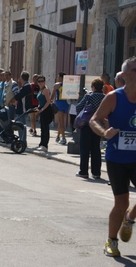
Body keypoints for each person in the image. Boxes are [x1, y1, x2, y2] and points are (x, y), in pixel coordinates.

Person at [89, 57, 136, 257]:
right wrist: (104, 132)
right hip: (117, 157)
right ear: (124, 75)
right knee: (121, 202)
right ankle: (111, 240)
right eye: (135, 69)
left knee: (127, 207)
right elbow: (94, 119)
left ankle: (130, 219)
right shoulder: (114, 97)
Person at [75, 78, 105, 179]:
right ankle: (96, 172)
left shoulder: (89, 96)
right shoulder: (105, 97)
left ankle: (83, 171)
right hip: (98, 125)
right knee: (96, 148)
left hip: (87, 124)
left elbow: (78, 107)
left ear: (93, 87)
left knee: (85, 148)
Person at [12, 71, 32, 145]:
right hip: (20, 108)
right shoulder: (25, 87)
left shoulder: (26, 87)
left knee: (22, 125)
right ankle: (22, 140)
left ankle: (23, 141)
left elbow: (18, 96)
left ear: (22, 78)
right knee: (20, 125)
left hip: (22, 109)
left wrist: (12, 100)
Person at [34, 75, 53, 152]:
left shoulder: (46, 90)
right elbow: (41, 101)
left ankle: (45, 145)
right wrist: (38, 107)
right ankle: (41, 143)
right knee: (42, 128)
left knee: (45, 128)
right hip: (42, 110)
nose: (41, 83)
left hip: (46, 110)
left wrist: (41, 109)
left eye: (42, 81)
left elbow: (48, 101)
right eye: (39, 81)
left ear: (44, 82)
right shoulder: (40, 90)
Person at [50, 72, 68, 145]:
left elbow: (52, 95)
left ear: (61, 78)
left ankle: (63, 138)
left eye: (58, 77)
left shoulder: (56, 85)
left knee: (61, 122)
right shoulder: (68, 85)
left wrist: (50, 101)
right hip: (66, 103)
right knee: (62, 121)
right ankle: (58, 136)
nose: (57, 78)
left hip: (59, 103)